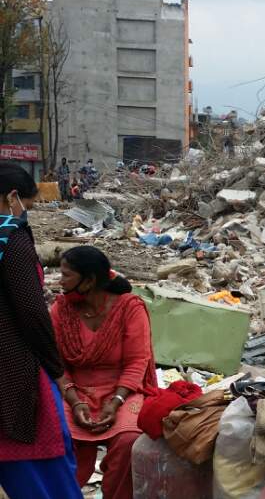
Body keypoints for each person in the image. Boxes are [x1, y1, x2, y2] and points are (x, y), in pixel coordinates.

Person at [0, 162, 84, 499]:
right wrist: (56, 368)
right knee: (45, 465)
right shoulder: (11, 239)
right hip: (13, 369)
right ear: (12, 197)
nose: (26, 214)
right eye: (28, 206)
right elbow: (33, 313)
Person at [51, 246, 157, 499]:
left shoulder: (129, 307)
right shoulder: (60, 310)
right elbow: (56, 364)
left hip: (123, 390)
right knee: (61, 440)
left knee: (130, 440)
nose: (59, 280)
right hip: (74, 391)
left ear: (88, 281)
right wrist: (75, 401)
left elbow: (137, 361)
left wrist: (116, 401)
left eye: (66, 275)